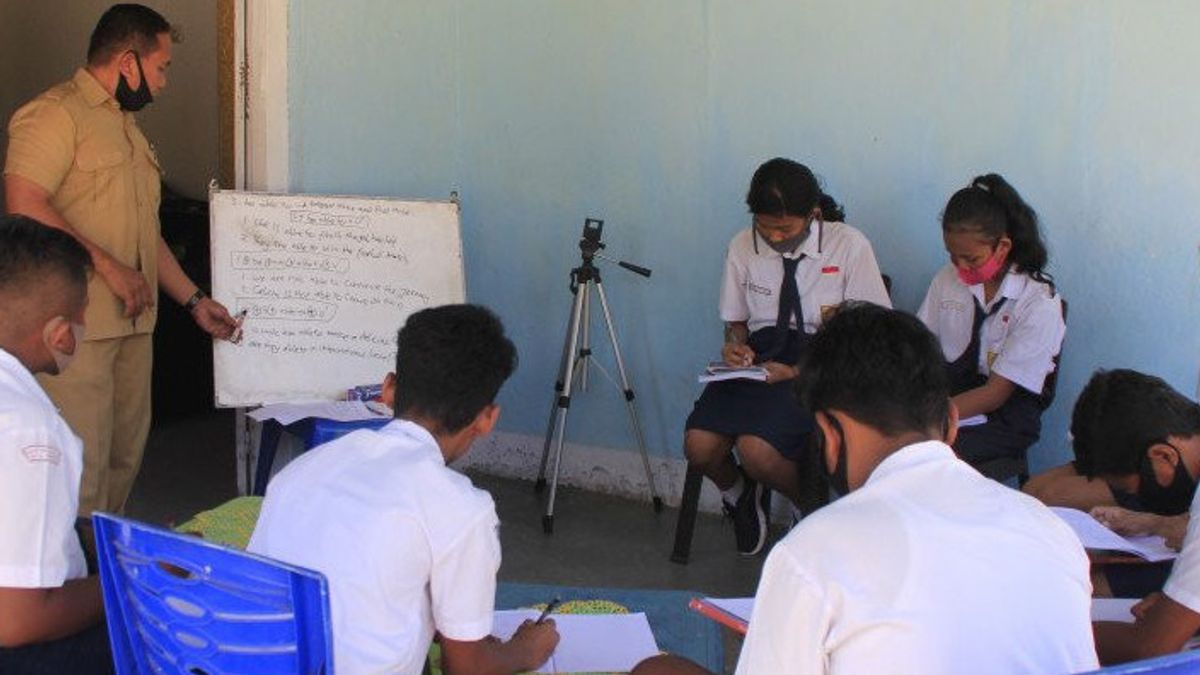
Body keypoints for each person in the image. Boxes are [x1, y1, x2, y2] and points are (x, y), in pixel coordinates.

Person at [636, 303, 1098, 675]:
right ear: (952, 422)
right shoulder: (1051, 530)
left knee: (656, 671)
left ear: (829, 435)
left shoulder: (812, 554)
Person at [4, 4, 238, 518]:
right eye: (161, 67)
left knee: (121, 465)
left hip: (134, 323)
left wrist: (195, 300)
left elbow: (145, 234)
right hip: (74, 328)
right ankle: (63, 589)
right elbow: (24, 202)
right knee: (75, 472)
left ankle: (99, 584)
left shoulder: (128, 130)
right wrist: (108, 267)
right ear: (128, 62)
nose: (164, 81)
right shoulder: (55, 115)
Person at [248, 305, 558, 674]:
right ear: (487, 419)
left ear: (388, 389)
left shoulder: (302, 468)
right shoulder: (462, 508)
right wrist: (526, 650)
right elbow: (465, 670)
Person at [684, 157, 891, 555]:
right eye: (765, 227)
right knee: (699, 445)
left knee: (757, 450)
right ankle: (739, 494)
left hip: (827, 360)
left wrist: (799, 371)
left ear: (813, 215)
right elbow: (737, 322)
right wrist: (735, 345)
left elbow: (868, 334)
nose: (775, 237)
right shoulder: (741, 246)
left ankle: (808, 506)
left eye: (786, 228)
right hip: (762, 358)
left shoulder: (849, 245)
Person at [0, 215, 112, 674]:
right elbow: (17, 620)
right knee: (159, 627)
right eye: (83, 312)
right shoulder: (29, 429)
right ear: (59, 332)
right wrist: (135, 574)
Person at [916, 173, 1065, 470]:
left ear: (1003, 247)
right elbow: (921, 347)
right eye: (952, 255)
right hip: (949, 399)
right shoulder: (947, 279)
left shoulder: (1039, 301)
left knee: (929, 457)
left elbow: (996, 393)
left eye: (971, 259)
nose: (960, 266)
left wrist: (928, 421)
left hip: (1004, 416)